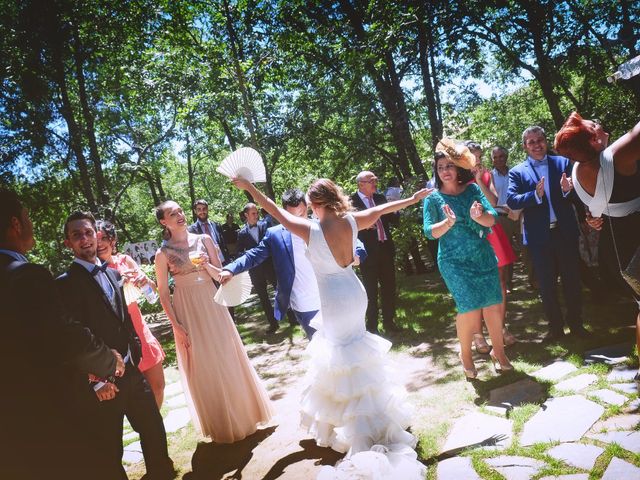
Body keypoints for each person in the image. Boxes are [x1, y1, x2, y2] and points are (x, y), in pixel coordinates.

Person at [229, 176, 430, 479]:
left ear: (312, 203)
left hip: (333, 302)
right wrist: (414, 199)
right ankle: (376, 419)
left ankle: (358, 430)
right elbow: (385, 208)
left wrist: (249, 188)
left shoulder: (309, 229)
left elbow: (271, 208)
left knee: (342, 363)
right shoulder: (352, 220)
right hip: (355, 293)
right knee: (359, 355)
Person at [0, 190, 123, 480]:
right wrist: (109, 360)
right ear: (16, 223)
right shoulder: (24, 275)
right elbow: (66, 336)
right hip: (52, 412)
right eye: (28, 217)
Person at [57, 211, 174, 480]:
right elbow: (72, 337)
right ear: (68, 243)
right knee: (110, 452)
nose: (85, 239)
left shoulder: (112, 273)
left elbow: (123, 320)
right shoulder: (64, 285)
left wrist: (136, 351)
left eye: (88, 233)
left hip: (133, 371)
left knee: (154, 431)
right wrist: (95, 381)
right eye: (77, 235)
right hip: (104, 383)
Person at [154, 201, 274, 442]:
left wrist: (206, 264)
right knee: (203, 363)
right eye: (172, 213)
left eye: (180, 210)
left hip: (212, 301)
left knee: (225, 354)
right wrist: (176, 327)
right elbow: (163, 293)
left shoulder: (204, 240)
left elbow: (221, 277)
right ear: (163, 222)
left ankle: (245, 415)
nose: (179, 215)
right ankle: (219, 423)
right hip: (186, 307)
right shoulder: (162, 253)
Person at [555, 112, 640, 377]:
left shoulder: (578, 170)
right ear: (593, 141)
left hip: (616, 249)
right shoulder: (615, 156)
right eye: (594, 125)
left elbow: (594, 209)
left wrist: (592, 218)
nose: (600, 124)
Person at [220, 189, 367, 338]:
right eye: (292, 215)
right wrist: (231, 269)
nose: (299, 219)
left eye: (302, 213)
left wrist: (357, 256)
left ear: (308, 207)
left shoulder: (322, 226)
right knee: (320, 351)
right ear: (284, 213)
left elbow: (356, 240)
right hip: (304, 306)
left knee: (343, 348)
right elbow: (253, 255)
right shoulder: (275, 235)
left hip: (334, 299)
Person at [423, 141, 513, 379]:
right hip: (454, 263)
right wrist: (447, 223)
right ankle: (465, 354)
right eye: (441, 166)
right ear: (437, 170)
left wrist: (479, 215)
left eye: (450, 166)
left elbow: (492, 218)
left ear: (458, 168)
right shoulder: (432, 199)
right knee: (469, 308)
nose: (445, 171)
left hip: (482, 257)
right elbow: (429, 231)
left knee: (493, 304)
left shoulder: (473, 190)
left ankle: (499, 352)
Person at [507, 125, 587, 340]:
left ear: (546, 141)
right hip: (538, 237)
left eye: (539, 140)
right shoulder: (517, 172)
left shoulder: (564, 163)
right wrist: (534, 195)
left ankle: (577, 325)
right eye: (531, 142)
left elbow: (581, 195)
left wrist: (568, 190)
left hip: (565, 232)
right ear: (525, 147)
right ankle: (555, 328)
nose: (536, 145)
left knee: (571, 281)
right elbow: (512, 200)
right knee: (546, 285)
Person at [96, 220, 166, 407]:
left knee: (158, 387)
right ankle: (148, 428)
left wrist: (144, 282)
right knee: (135, 396)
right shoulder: (95, 271)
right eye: (96, 240)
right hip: (119, 338)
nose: (100, 243)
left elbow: (152, 297)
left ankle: (155, 428)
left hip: (141, 330)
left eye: (104, 237)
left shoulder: (125, 261)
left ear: (113, 240)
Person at [465, 142, 517, 350]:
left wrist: (479, 181)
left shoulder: (486, 175)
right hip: (470, 235)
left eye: (479, 156)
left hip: (491, 232)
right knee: (477, 285)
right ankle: (478, 334)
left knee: (500, 282)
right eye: (473, 156)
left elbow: (493, 200)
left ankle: (500, 328)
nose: (477, 160)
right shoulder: (455, 179)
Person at [351, 170, 401, 334]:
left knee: (389, 287)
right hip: (367, 253)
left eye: (376, 179)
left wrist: (395, 209)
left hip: (385, 248)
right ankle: (372, 326)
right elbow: (349, 227)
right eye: (371, 180)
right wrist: (362, 224)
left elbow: (393, 222)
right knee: (370, 291)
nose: (375, 182)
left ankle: (389, 322)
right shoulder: (351, 202)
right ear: (361, 184)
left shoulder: (380, 198)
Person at [237, 202, 278, 333]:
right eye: (253, 213)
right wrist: (249, 254)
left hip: (270, 266)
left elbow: (273, 243)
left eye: (257, 213)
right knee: (263, 298)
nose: (256, 215)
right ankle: (273, 324)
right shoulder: (241, 233)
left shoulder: (265, 225)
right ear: (246, 215)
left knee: (280, 292)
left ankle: (292, 318)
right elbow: (239, 252)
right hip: (255, 271)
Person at [491, 146, 522, 289]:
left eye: (501, 156)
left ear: (506, 157)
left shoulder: (516, 172)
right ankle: (508, 284)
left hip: (519, 214)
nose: (498, 160)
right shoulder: (489, 176)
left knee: (527, 247)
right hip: (501, 217)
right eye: (495, 157)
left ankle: (535, 282)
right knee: (505, 250)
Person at [188, 199, 231, 265]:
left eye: (204, 209)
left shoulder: (217, 225)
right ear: (195, 211)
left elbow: (223, 245)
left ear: (208, 209)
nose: (202, 211)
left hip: (224, 263)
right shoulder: (191, 230)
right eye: (199, 209)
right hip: (208, 266)